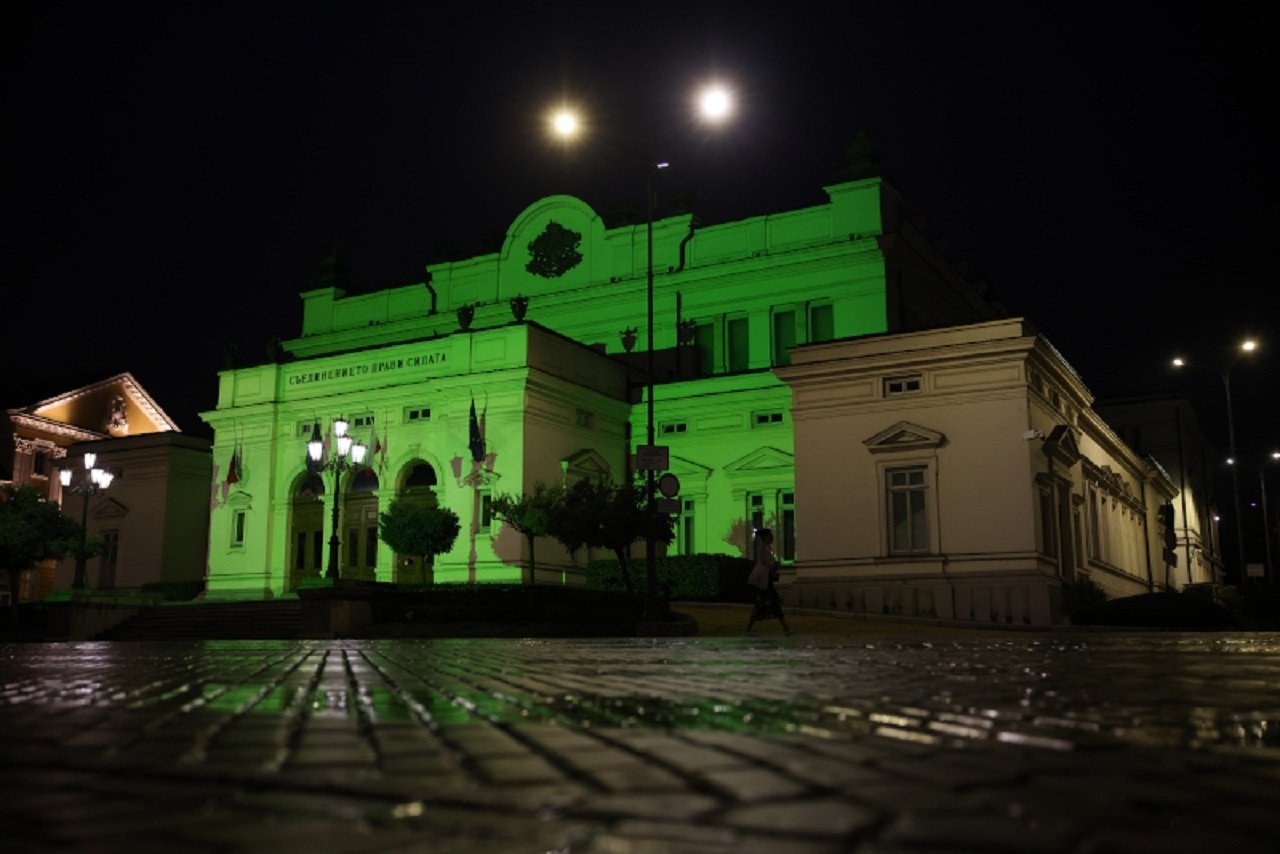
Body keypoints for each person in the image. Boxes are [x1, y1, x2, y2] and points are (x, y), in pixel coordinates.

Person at [746, 528, 792, 635]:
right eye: (770, 535)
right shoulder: (763, 548)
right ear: (765, 537)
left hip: (766, 580)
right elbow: (767, 563)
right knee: (769, 603)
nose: (772, 537)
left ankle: (785, 627)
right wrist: (774, 566)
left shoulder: (766, 548)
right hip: (764, 580)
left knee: (764, 604)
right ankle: (785, 627)